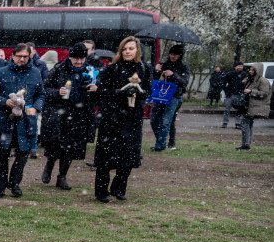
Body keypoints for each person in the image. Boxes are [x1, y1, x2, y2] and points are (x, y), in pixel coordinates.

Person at [93, 36, 147, 203]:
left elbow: (148, 90)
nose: (127, 51)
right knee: (106, 156)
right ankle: (101, 190)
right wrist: (119, 93)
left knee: (128, 156)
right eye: (124, 49)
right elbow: (101, 91)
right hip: (112, 118)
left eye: (131, 48)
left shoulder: (143, 70)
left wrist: (140, 94)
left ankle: (119, 187)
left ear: (137, 50)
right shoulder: (111, 69)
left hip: (132, 119)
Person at [40, 42, 98, 190]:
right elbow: (45, 88)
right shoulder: (59, 69)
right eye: (75, 59)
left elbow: (97, 93)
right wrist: (57, 92)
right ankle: (49, 165)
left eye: (82, 59)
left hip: (79, 114)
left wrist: (95, 90)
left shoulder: (90, 71)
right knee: (55, 144)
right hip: (59, 114)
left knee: (70, 148)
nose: (79, 62)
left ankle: (62, 176)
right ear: (70, 57)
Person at [0, 43, 44, 198]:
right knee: (2, 154)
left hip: (26, 121)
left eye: (25, 56)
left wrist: (36, 107)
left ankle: (14, 184)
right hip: (4, 120)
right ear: (13, 55)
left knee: (22, 154)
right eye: (19, 56)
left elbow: (41, 94)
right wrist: (4, 101)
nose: (22, 59)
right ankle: (0, 187)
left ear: (30, 56)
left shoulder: (35, 73)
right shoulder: (2, 72)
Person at [150, 44, 189, 151]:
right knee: (154, 120)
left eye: (175, 55)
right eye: (171, 54)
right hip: (160, 96)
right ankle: (163, 141)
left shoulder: (184, 67)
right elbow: (155, 79)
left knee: (166, 121)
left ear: (180, 55)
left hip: (174, 97)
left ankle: (160, 145)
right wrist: (156, 70)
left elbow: (184, 82)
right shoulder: (164, 64)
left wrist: (173, 75)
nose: (172, 56)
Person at [237, 64, 271, 150]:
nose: (250, 71)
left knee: (245, 123)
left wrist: (251, 91)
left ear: (257, 71)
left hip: (253, 105)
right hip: (246, 104)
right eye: (250, 70)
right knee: (248, 124)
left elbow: (264, 93)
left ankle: (246, 144)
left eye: (252, 70)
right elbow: (241, 85)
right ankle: (247, 144)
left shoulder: (263, 81)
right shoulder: (250, 79)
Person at [223, 62, 246, 128]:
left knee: (240, 110)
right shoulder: (230, 74)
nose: (240, 67)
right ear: (235, 67)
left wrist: (243, 92)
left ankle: (238, 123)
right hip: (230, 95)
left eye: (241, 66)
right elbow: (223, 84)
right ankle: (225, 123)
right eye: (238, 66)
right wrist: (227, 92)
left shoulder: (244, 74)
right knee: (227, 109)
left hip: (240, 95)